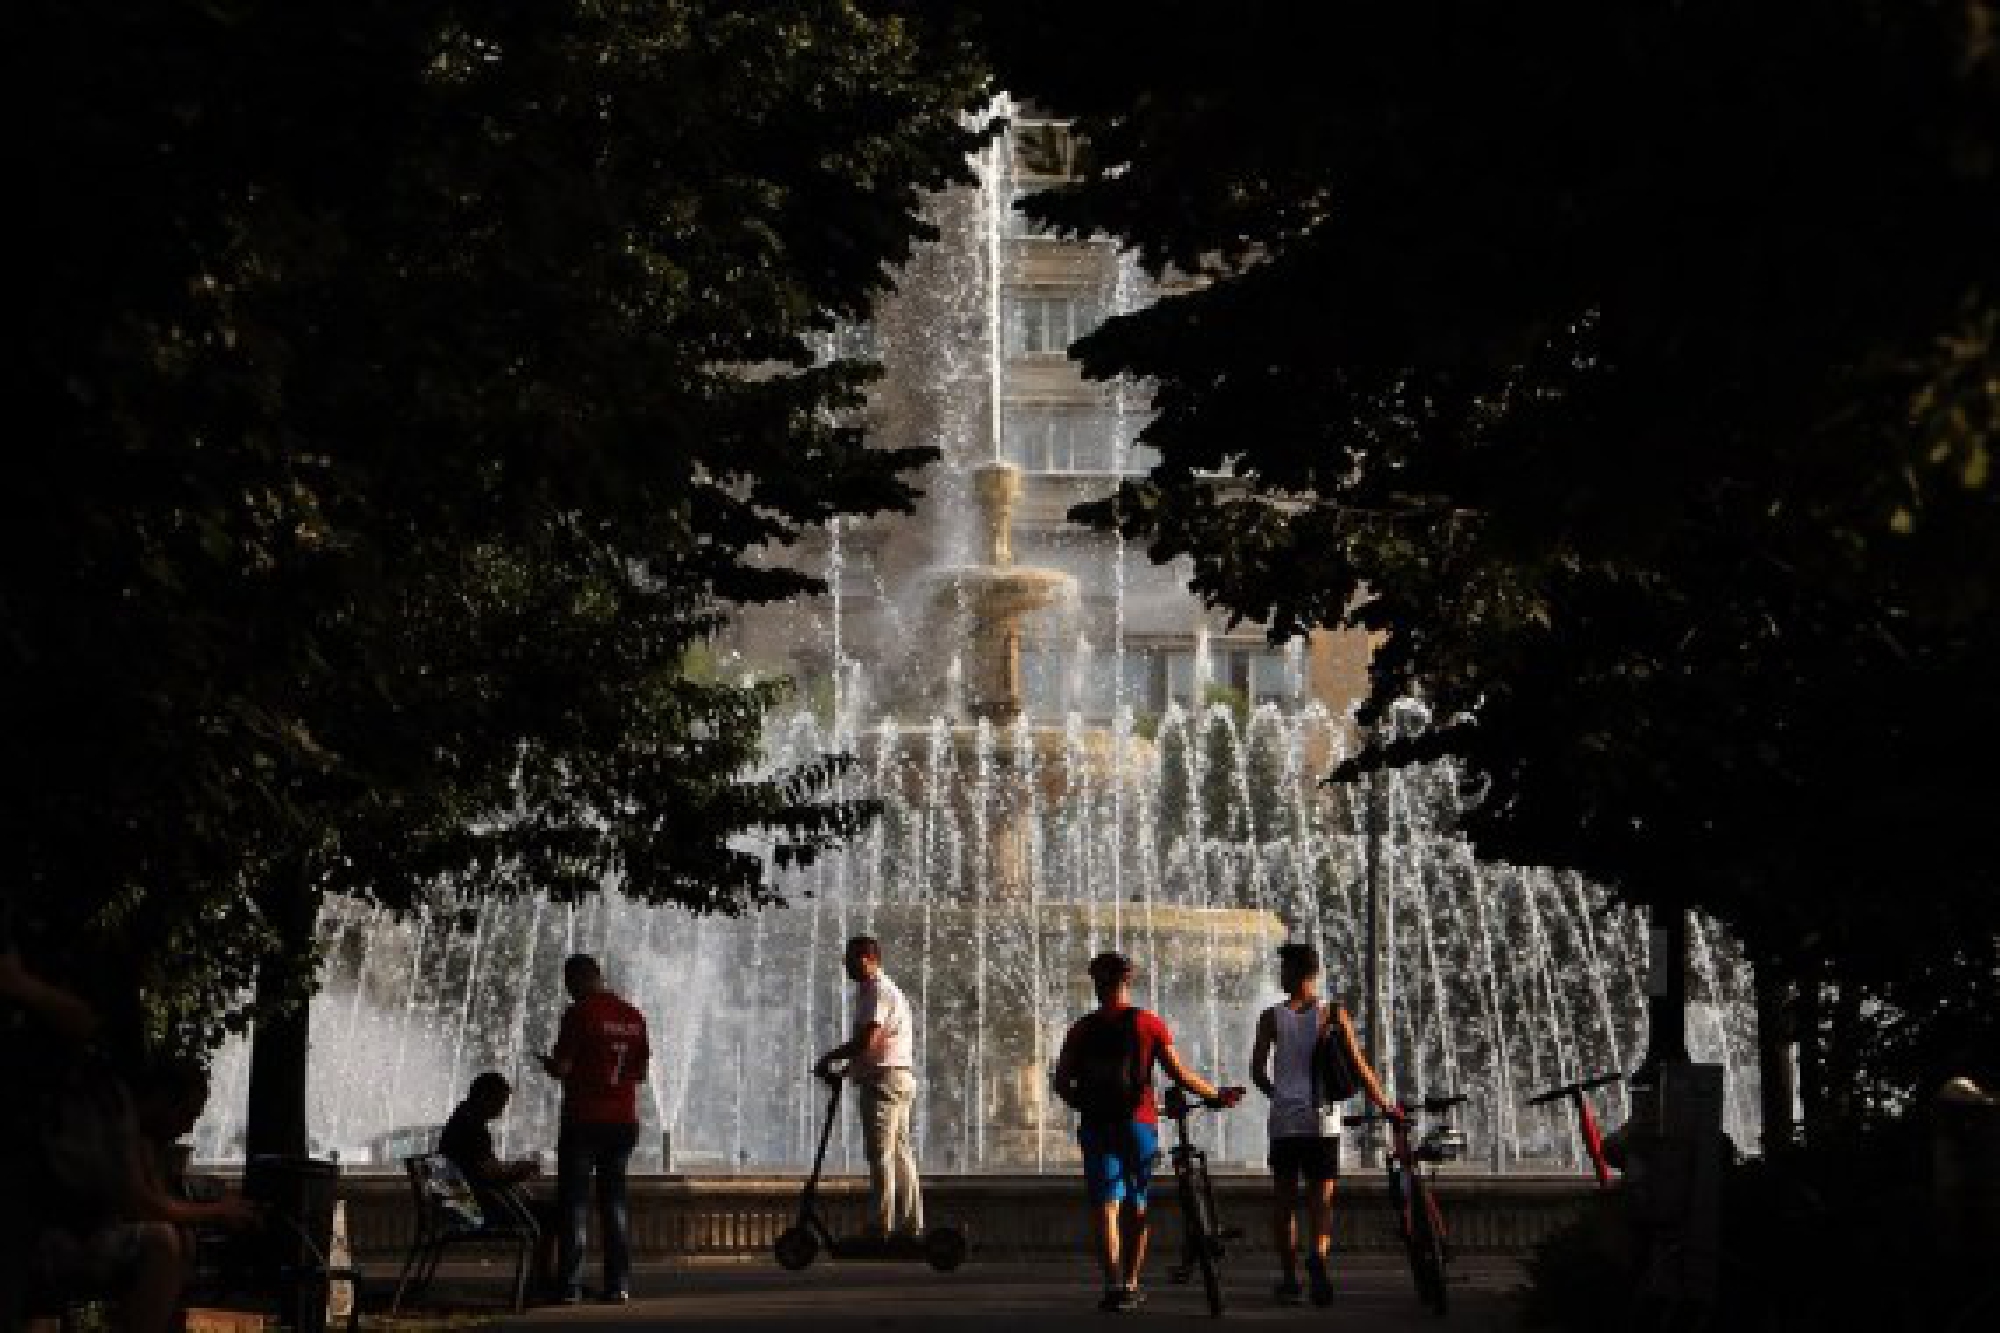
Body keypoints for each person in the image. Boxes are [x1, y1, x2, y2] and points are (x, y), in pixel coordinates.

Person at [1053, 951, 1242, 1314]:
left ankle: (1112, 1286)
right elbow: (1180, 1074)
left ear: (1096, 984)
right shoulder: (1148, 1024)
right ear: (1129, 981)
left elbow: (1062, 1082)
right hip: (1138, 1123)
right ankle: (1132, 1282)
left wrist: (1086, 1105)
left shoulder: (1081, 1029)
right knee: (1137, 1203)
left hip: (1097, 1126)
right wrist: (1216, 1095)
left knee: (1106, 1207)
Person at [1248, 942, 1398, 1307]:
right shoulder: (1333, 1014)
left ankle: (1288, 1280)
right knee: (1321, 1202)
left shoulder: (1271, 1017)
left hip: (1285, 1123)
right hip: (1323, 1120)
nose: (1280, 977)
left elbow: (1256, 1072)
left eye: (1284, 970)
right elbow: (1360, 1067)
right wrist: (1386, 1105)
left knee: (1284, 1202)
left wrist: (1280, 1095)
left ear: (1299, 973)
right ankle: (1318, 1257)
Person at [538, 954, 650, 1305]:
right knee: (614, 1204)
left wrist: (550, 1066)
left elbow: (563, 1067)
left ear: (580, 978)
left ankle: (569, 1285)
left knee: (574, 1205)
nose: (568, 991)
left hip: (584, 1120)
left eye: (569, 983)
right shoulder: (633, 1016)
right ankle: (619, 1284)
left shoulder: (580, 1013)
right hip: (623, 1122)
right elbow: (641, 1072)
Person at [812, 936, 922, 1239]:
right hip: (896, 1078)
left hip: (883, 1084)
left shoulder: (876, 990)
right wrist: (849, 1069)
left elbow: (867, 1041)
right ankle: (911, 1224)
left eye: (849, 959)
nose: (844, 965)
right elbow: (876, 1048)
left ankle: (880, 1226)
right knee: (901, 1154)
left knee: (881, 1155)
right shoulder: (884, 990)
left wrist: (829, 1057)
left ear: (867, 959)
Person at [438, 1071, 558, 1289]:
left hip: (464, 1202)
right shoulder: (471, 1128)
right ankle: (543, 1280)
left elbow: (486, 1169)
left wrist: (513, 1173)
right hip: (475, 1210)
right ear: (484, 1096)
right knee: (551, 1215)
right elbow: (491, 1176)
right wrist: (521, 1170)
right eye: (500, 1102)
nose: (503, 1109)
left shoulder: (463, 1120)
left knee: (544, 1210)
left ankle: (543, 1279)